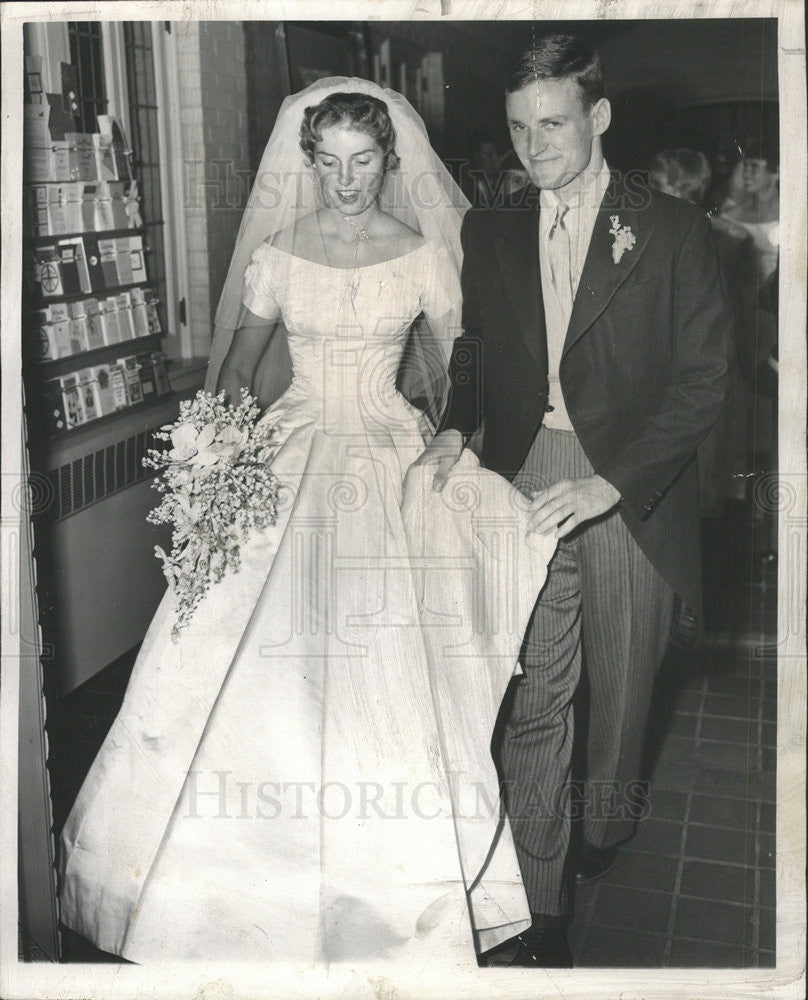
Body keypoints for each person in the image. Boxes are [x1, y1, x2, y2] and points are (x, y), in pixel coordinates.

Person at [58, 79, 558, 974]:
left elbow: (465, 363)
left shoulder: (421, 255)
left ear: (388, 161)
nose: (347, 180)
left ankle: (390, 895)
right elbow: (241, 368)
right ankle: (212, 890)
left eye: (363, 161)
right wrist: (214, 462)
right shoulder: (280, 254)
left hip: (385, 451)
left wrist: (448, 439)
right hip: (288, 450)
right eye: (328, 163)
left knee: (383, 667)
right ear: (310, 164)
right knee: (227, 647)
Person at [417, 34, 728, 966]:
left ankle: (606, 826)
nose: (533, 146)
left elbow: (705, 381)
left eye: (553, 124)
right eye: (517, 128)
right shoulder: (493, 226)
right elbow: (475, 350)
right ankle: (543, 899)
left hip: (630, 482)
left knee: (624, 691)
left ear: (597, 117)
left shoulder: (670, 229)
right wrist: (449, 425)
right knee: (536, 691)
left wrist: (610, 481)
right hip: (524, 479)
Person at [648, 148, 758, 516]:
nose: (650, 192)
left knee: (697, 487)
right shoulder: (716, 235)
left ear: (681, 188)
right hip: (685, 369)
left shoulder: (717, 240)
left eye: (658, 184)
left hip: (701, 373)